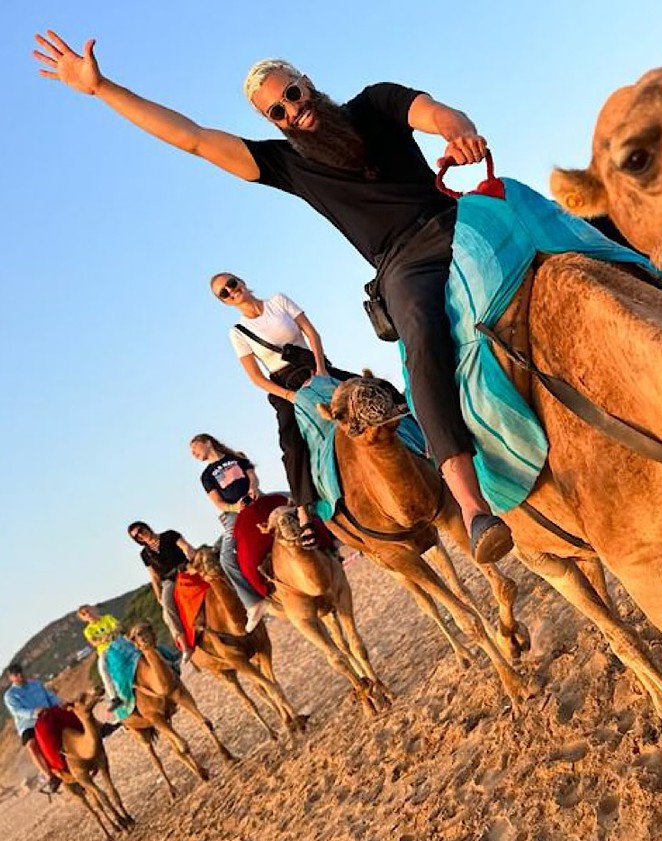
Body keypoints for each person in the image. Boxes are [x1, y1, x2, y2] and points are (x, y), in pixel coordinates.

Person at [34, 33, 512, 564]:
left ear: (306, 82)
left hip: (457, 217)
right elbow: (194, 139)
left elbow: (436, 113)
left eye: (292, 94)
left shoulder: (375, 103)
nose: (292, 110)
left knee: (559, 229)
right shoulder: (288, 164)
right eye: (277, 111)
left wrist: (458, 132)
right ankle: (470, 505)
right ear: (273, 122)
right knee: (419, 337)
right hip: (403, 263)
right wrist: (102, 89)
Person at [206, 277, 355, 549]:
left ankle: (424, 443)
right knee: (291, 443)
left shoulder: (278, 301)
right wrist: (291, 396)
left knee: (370, 389)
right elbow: (256, 377)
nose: (231, 291)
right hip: (282, 384)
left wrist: (322, 371)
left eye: (231, 283)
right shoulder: (238, 332)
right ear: (224, 302)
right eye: (223, 293)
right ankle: (304, 511)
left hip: (314, 366)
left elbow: (311, 334)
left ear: (241, 281)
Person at [189, 433, 268, 631]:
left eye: (195, 448)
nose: (193, 454)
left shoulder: (236, 457)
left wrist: (253, 489)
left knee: (293, 503)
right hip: (234, 512)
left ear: (207, 443)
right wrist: (235, 507)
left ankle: (330, 545)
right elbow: (218, 502)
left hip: (257, 498)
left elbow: (252, 476)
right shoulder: (206, 476)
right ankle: (253, 603)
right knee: (226, 559)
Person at [127, 521, 196, 662]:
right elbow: (154, 576)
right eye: (137, 536)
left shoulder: (169, 535)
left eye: (141, 530)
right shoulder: (145, 554)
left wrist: (192, 559)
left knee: (213, 572)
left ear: (146, 527)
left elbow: (186, 547)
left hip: (185, 569)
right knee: (168, 608)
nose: (141, 534)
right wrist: (159, 595)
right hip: (169, 580)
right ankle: (185, 646)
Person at [3, 663, 62, 792]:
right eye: (16, 674)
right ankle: (50, 776)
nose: (20, 676)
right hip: (29, 724)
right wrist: (34, 712)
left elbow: (50, 696)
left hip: (48, 714)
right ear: (11, 678)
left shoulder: (36, 684)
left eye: (20, 672)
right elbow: (18, 711)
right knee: (31, 746)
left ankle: (100, 730)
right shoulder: (10, 695)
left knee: (74, 714)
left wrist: (59, 703)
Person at [76, 605, 121, 708]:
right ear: (83, 619)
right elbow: (94, 642)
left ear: (93, 610)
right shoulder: (88, 630)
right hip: (104, 651)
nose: (88, 614)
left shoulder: (107, 618)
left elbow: (118, 626)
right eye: (84, 614)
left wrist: (113, 632)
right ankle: (114, 697)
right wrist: (102, 640)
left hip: (118, 643)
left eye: (88, 611)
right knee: (102, 668)